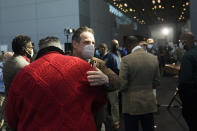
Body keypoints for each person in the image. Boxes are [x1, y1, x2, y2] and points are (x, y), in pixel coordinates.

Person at [5, 36, 106, 131]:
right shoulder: (83, 66)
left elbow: (11, 118)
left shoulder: (23, 74)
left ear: (39, 50)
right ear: (60, 48)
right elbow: (100, 102)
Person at [72, 27, 121, 131]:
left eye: (93, 43)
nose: (91, 46)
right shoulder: (65, 62)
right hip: (73, 119)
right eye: (86, 42)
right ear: (75, 44)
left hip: (96, 120)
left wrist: (106, 79)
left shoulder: (98, 63)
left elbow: (117, 81)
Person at [119, 36, 160, 131]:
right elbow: (157, 81)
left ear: (128, 45)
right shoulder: (153, 58)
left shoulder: (126, 59)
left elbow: (122, 84)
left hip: (131, 104)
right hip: (149, 102)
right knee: (149, 128)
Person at [178, 32, 197, 131]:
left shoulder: (188, 56)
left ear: (185, 41)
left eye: (181, 41)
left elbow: (185, 80)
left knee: (191, 119)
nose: (180, 43)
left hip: (192, 95)